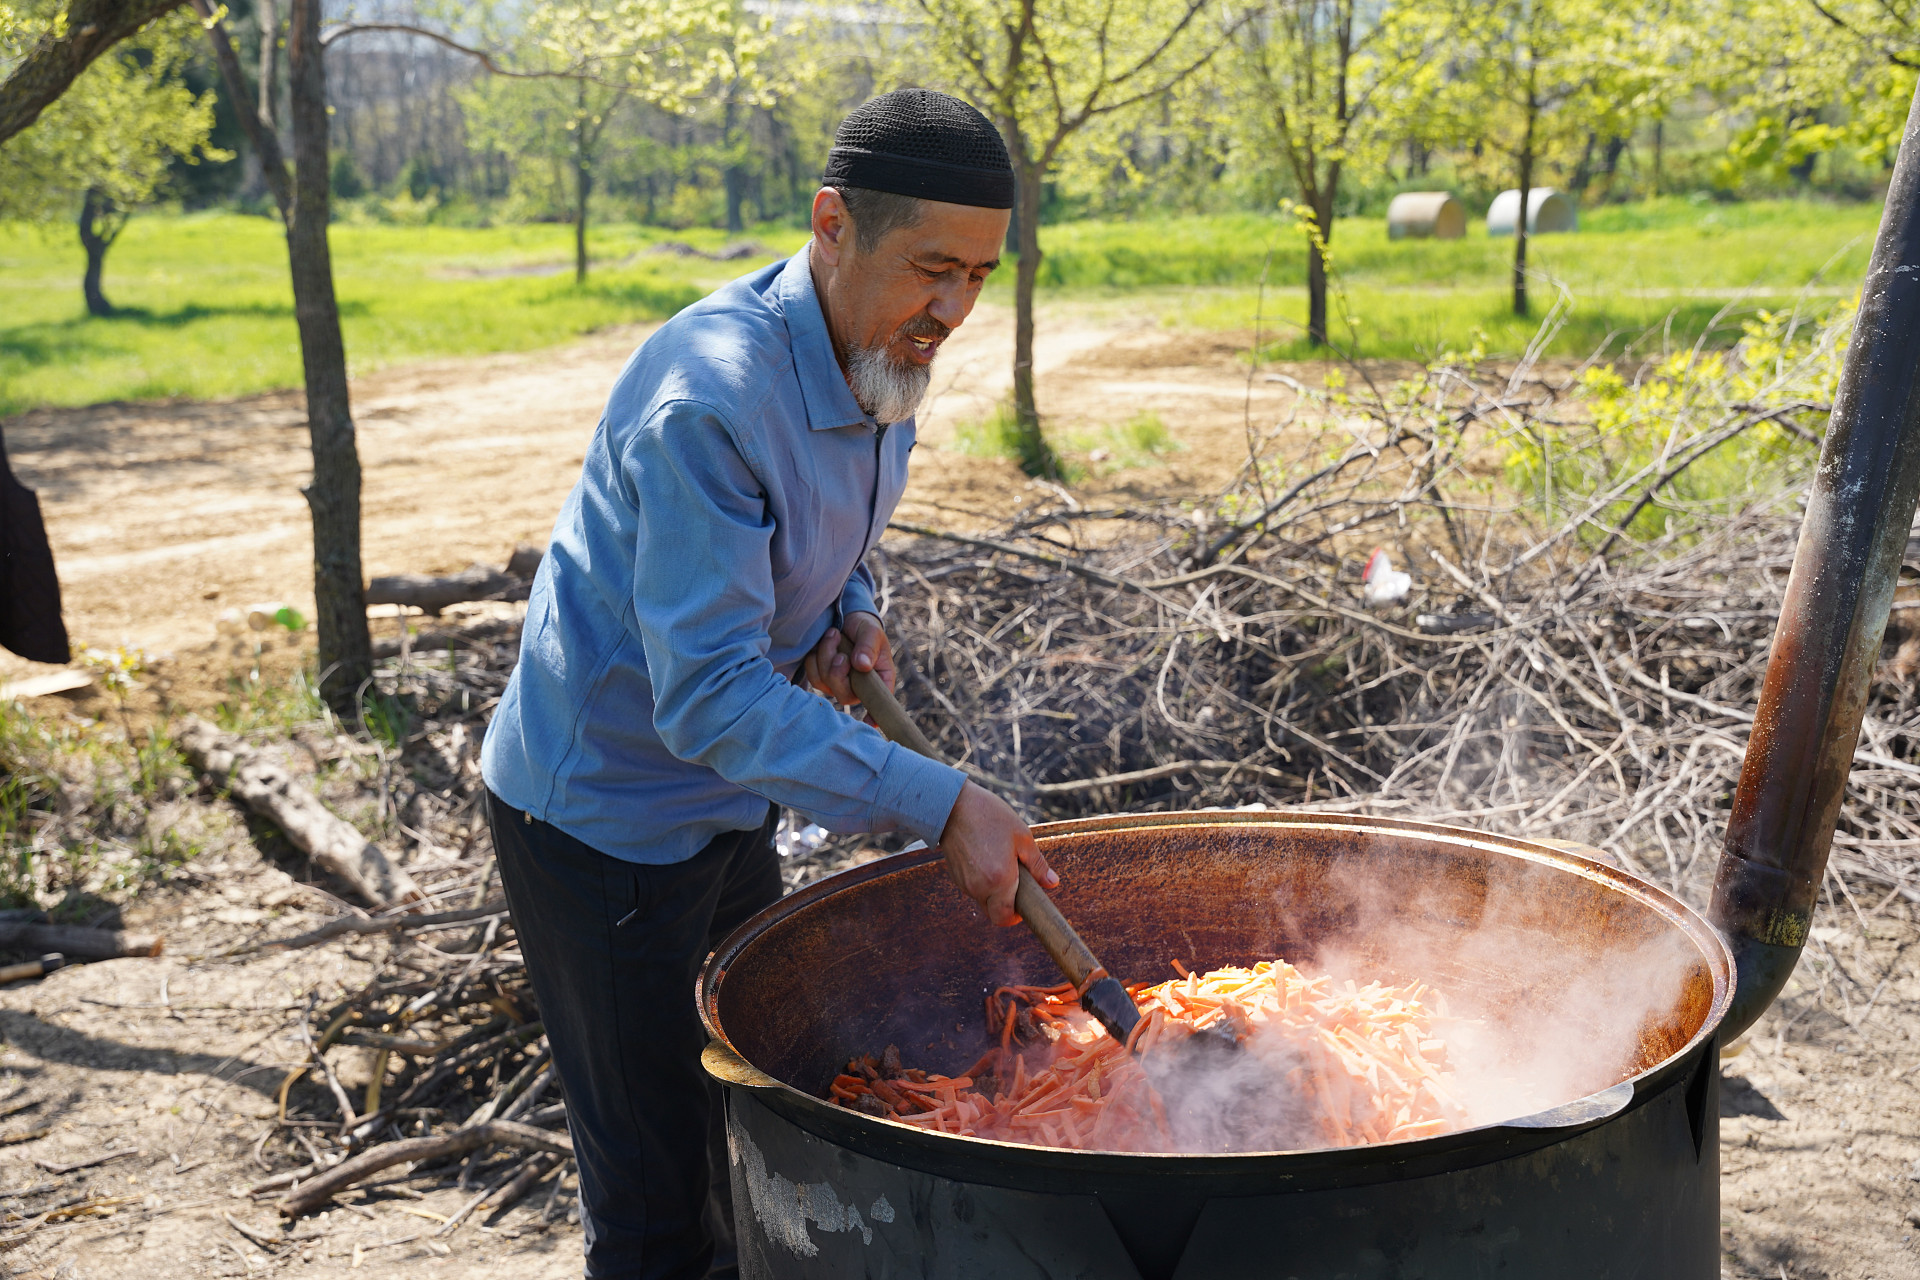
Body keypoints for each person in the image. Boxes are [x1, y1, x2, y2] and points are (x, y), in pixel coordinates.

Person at [480, 88, 1059, 1280]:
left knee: (745, 1126)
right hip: (604, 821)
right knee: (654, 1198)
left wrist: (851, 612)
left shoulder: (874, 339)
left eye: (979, 278)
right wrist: (942, 801)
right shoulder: (711, 398)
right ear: (832, 222)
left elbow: (827, 530)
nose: (952, 310)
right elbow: (708, 700)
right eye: (931, 269)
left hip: (727, 802)